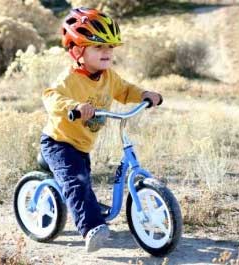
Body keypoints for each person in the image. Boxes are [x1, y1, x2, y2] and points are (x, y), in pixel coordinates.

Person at [40, 7, 163, 253]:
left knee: (84, 184)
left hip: (83, 143)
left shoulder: (108, 76)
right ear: (76, 50)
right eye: (98, 47)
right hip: (59, 142)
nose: (106, 52)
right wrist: (74, 106)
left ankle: (91, 209)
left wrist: (145, 95)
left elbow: (126, 90)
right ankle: (91, 228)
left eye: (110, 47)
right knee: (76, 182)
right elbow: (51, 96)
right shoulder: (69, 80)